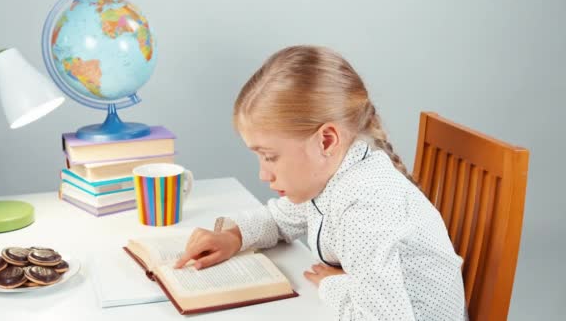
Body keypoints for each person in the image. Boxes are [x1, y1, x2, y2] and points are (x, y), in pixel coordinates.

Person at [174, 45, 466, 320]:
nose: (264, 174)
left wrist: (334, 285)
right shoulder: (336, 176)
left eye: (270, 157)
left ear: (326, 140)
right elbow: (282, 219)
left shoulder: (364, 204)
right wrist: (234, 236)